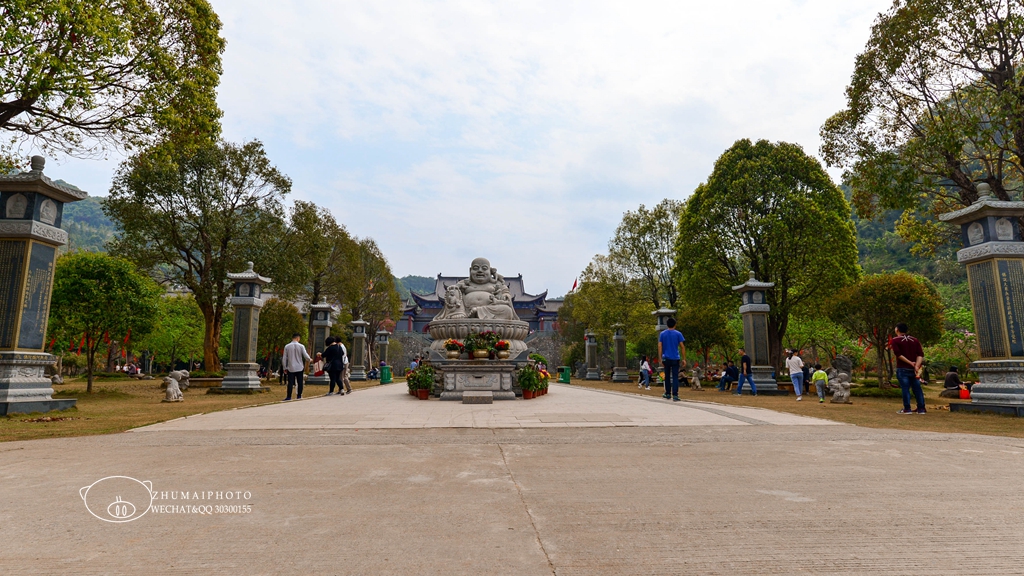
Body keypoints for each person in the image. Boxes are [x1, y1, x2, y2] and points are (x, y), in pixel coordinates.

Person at [889, 322, 926, 414]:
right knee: (917, 389)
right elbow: (920, 354)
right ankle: (921, 408)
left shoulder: (895, 340)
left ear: (897, 330)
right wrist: (916, 365)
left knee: (905, 389)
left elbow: (898, 354)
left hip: (902, 368)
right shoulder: (915, 340)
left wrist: (910, 363)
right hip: (914, 370)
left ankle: (907, 408)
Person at [658, 318, 686, 401]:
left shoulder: (662, 334)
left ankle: (667, 393)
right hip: (675, 358)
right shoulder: (678, 334)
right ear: (675, 324)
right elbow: (682, 346)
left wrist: (660, 358)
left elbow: (660, 346)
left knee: (667, 376)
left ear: (667, 325)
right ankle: (675, 395)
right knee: (675, 377)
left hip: (666, 358)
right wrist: (684, 358)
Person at [281, 332, 311, 401]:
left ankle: (289, 396)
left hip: (290, 367)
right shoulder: (301, 346)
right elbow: (305, 355)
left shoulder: (287, 346)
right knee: (300, 382)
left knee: (290, 382)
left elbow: (284, 358)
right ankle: (299, 395)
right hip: (299, 367)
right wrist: (309, 359)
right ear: (298, 338)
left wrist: (284, 367)